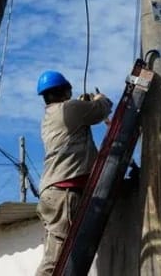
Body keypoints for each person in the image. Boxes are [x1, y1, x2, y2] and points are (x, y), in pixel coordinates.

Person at [35, 70, 112, 276]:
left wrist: (82, 105)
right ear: (65, 90)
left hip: (53, 192)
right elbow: (102, 108)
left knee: (57, 255)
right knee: (57, 259)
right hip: (63, 193)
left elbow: (77, 117)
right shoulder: (71, 109)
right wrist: (99, 98)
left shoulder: (52, 115)